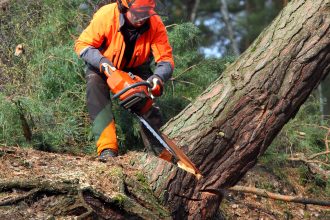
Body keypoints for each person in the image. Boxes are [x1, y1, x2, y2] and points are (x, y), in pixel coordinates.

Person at [74, 0, 174, 161]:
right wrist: (102, 63)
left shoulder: (155, 23)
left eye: (146, 13)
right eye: (139, 13)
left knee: (146, 103)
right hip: (105, 63)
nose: (142, 18)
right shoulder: (107, 15)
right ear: (124, 7)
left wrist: (158, 77)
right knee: (94, 86)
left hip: (136, 65)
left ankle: (160, 152)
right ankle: (107, 149)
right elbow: (83, 45)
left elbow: (166, 60)